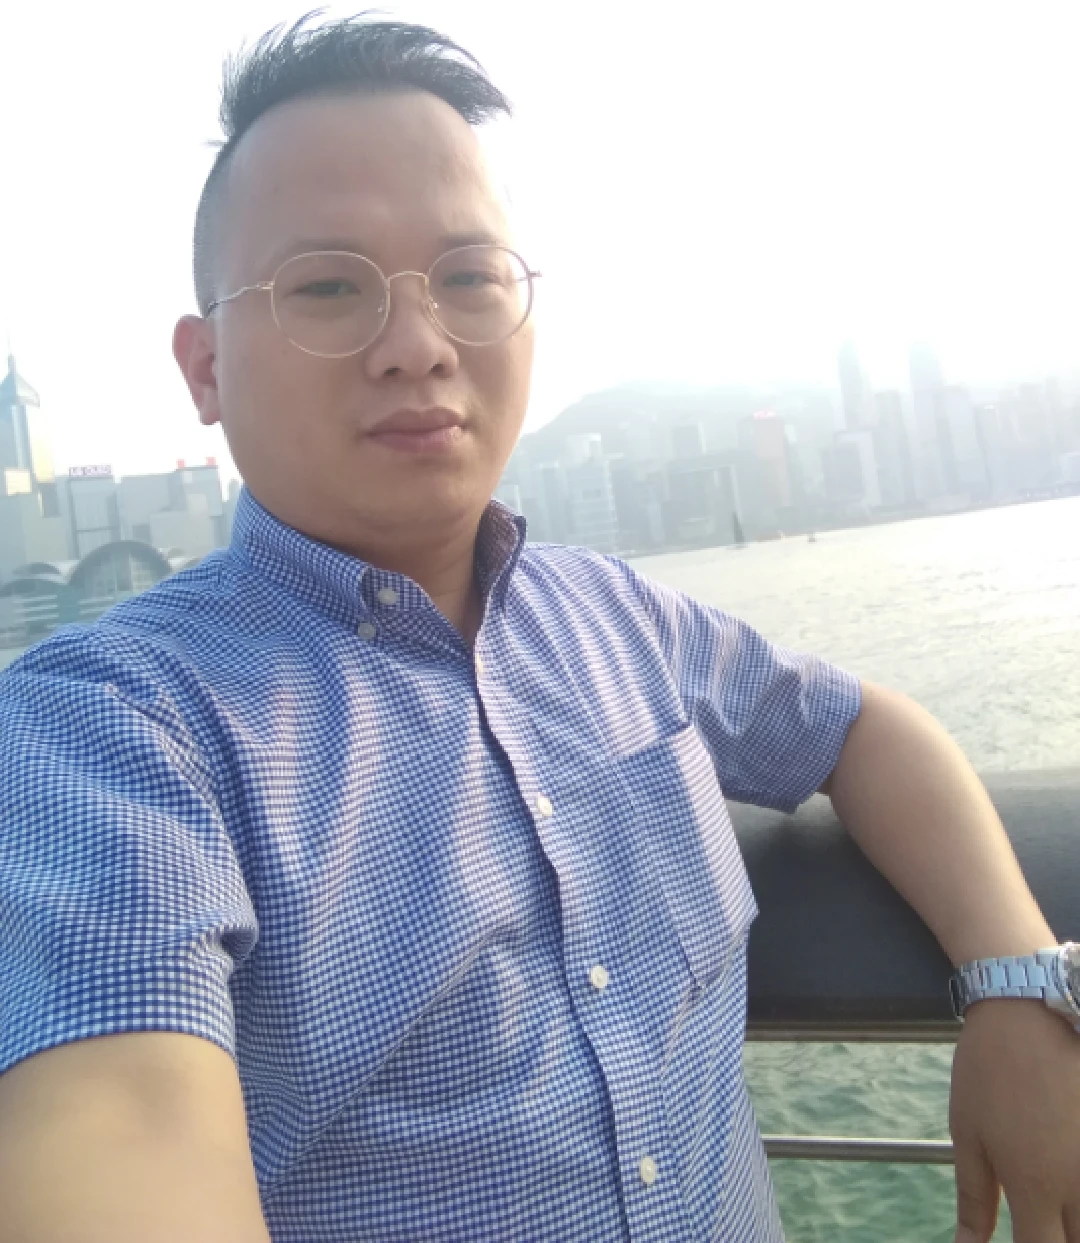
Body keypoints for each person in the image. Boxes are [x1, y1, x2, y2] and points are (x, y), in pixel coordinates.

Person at [0, 14, 1077, 1243]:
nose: (417, 346)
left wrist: (1015, 982)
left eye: (468, 278)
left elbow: (862, 728)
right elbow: (117, 1123)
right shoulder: (111, 729)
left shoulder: (619, 619)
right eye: (328, 288)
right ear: (204, 368)